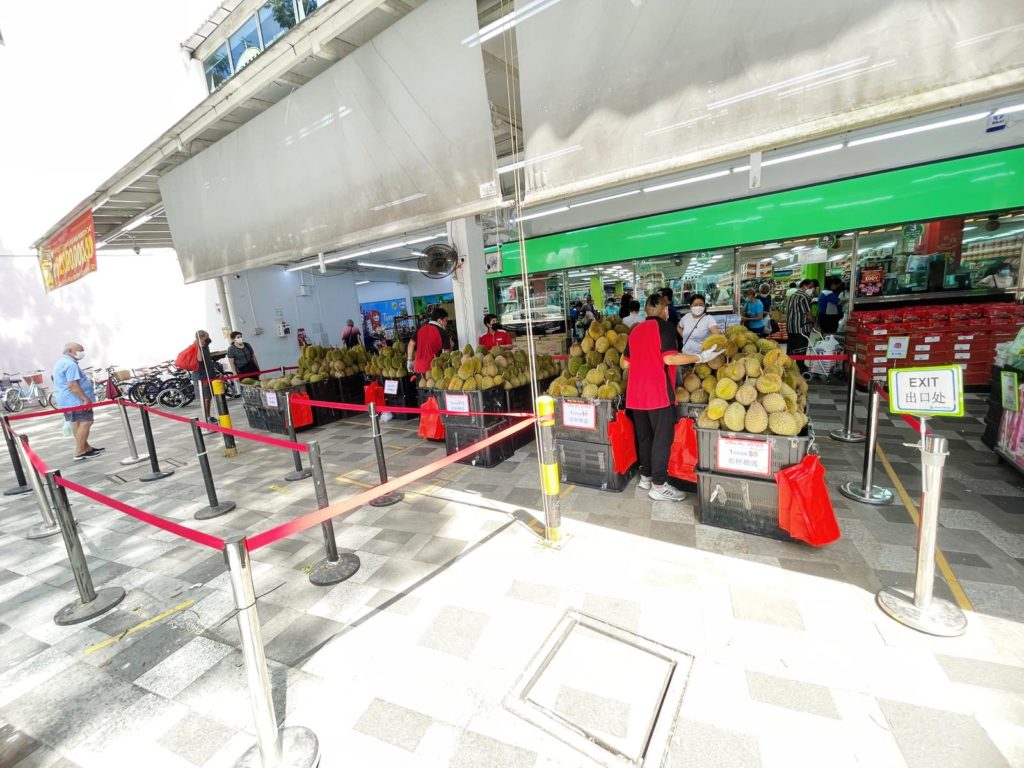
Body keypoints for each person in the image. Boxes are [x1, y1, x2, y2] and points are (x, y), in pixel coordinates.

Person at [622, 295, 724, 502]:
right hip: (658, 393)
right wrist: (700, 357)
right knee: (662, 439)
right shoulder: (666, 327)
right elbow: (669, 358)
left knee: (645, 437)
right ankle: (659, 486)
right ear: (663, 310)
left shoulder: (635, 330)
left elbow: (625, 364)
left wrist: (644, 361)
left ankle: (646, 477)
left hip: (635, 394)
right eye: (667, 308)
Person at [53, 342, 104, 461]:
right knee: (86, 422)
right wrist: (85, 398)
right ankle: (80, 451)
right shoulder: (71, 364)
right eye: (80, 350)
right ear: (71, 351)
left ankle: (86, 447)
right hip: (76, 400)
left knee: (76, 423)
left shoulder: (61, 362)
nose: (82, 352)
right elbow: (72, 384)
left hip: (66, 400)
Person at [194, 330, 228, 423]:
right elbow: (200, 359)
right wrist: (197, 346)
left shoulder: (206, 345)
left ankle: (209, 416)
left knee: (210, 396)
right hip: (202, 376)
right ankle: (207, 417)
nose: (208, 338)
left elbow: (210, 340)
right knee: (206, 397)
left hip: (209, 373)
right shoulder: (196, 347)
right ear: (201, 337)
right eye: (206, 336)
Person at [408, 307, 451, 374]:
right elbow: (447, 353)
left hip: (418, 367)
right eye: (445, 320)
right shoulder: (442, 332)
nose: (446, 323)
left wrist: (409, 360)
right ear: (440, 321)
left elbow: (411, 344)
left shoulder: (420, 328)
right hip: (433, 370)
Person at [786, 279, 816, 375]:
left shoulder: (792, 296)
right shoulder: (804, 296)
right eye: (810, 287)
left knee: (792, 349)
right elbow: (807, 313)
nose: (812, 289)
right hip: (801, 328)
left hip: (791, 327)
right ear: (804, 286)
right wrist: (812, 322)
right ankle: (800, 369)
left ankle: (788, 368)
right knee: (801, 349)